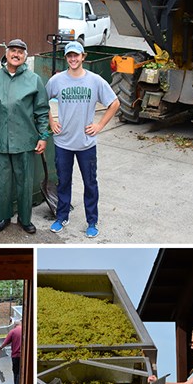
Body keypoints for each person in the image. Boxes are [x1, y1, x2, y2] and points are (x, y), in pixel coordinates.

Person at [45, 41, 119, 239]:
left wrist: (99, 125)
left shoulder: (95, 81)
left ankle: (92, 221)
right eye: (69, 56)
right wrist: (51, 121)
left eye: (76, 55)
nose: (73, 59)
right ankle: (62, 217)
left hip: (86, 143)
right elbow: (41, 103)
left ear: (83, 57)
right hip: (63, 142)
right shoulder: (57, 80)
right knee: (63, 182)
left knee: (90, 183)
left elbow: (114, 102)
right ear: (66, 58)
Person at [0, 38, 50, 235]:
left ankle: (25, 219)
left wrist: (43, 136)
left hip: (25, 141)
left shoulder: (33, 79)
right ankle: (1, 217)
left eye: (20, 51)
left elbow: (42, 111)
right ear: (6, 53)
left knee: (25, 182)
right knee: (1, 181)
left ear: (25, 56)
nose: (16, 54)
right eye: (13, 51)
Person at [0, 320, 23, 384]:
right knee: (22, 371)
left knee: (16, 371)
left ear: (14, 325)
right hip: (24, 356)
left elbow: (6, 342)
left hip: (16, 356)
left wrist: (0, 348)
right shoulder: (25, 330)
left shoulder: (12, 331)